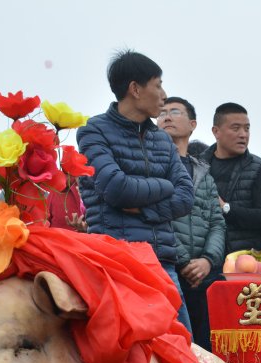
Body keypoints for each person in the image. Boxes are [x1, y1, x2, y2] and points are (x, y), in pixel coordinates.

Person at [77, 50, 194, 333]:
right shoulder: (94, 131)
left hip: (162, 262)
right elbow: (116, 189)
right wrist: (164, 186)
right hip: (118, 262)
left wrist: (144, 208)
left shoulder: (162, 141)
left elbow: (185, 196)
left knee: (185, 348)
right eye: (158, 85)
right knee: (131, 351)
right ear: (135, 89)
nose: (163, 94)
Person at [157, 97, 226, 351]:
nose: (166, 116)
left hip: (205, 276)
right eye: (161, 112)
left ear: (193, 124)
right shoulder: (154, 167)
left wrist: (207, 260)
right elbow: (158, 217)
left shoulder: (203, 173)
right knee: (179, 347)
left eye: (174, 111)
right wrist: (185, 261)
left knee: (208, 349)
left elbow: (218, 222)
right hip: (169, 267)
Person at [201, 103, 261, 255]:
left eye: (247, 128)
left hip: (243, 262)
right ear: (216, 131)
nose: (243, 134)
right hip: (203, 260)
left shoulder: (257, 167)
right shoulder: (198, 166)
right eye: (236, 128)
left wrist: (227, 208)